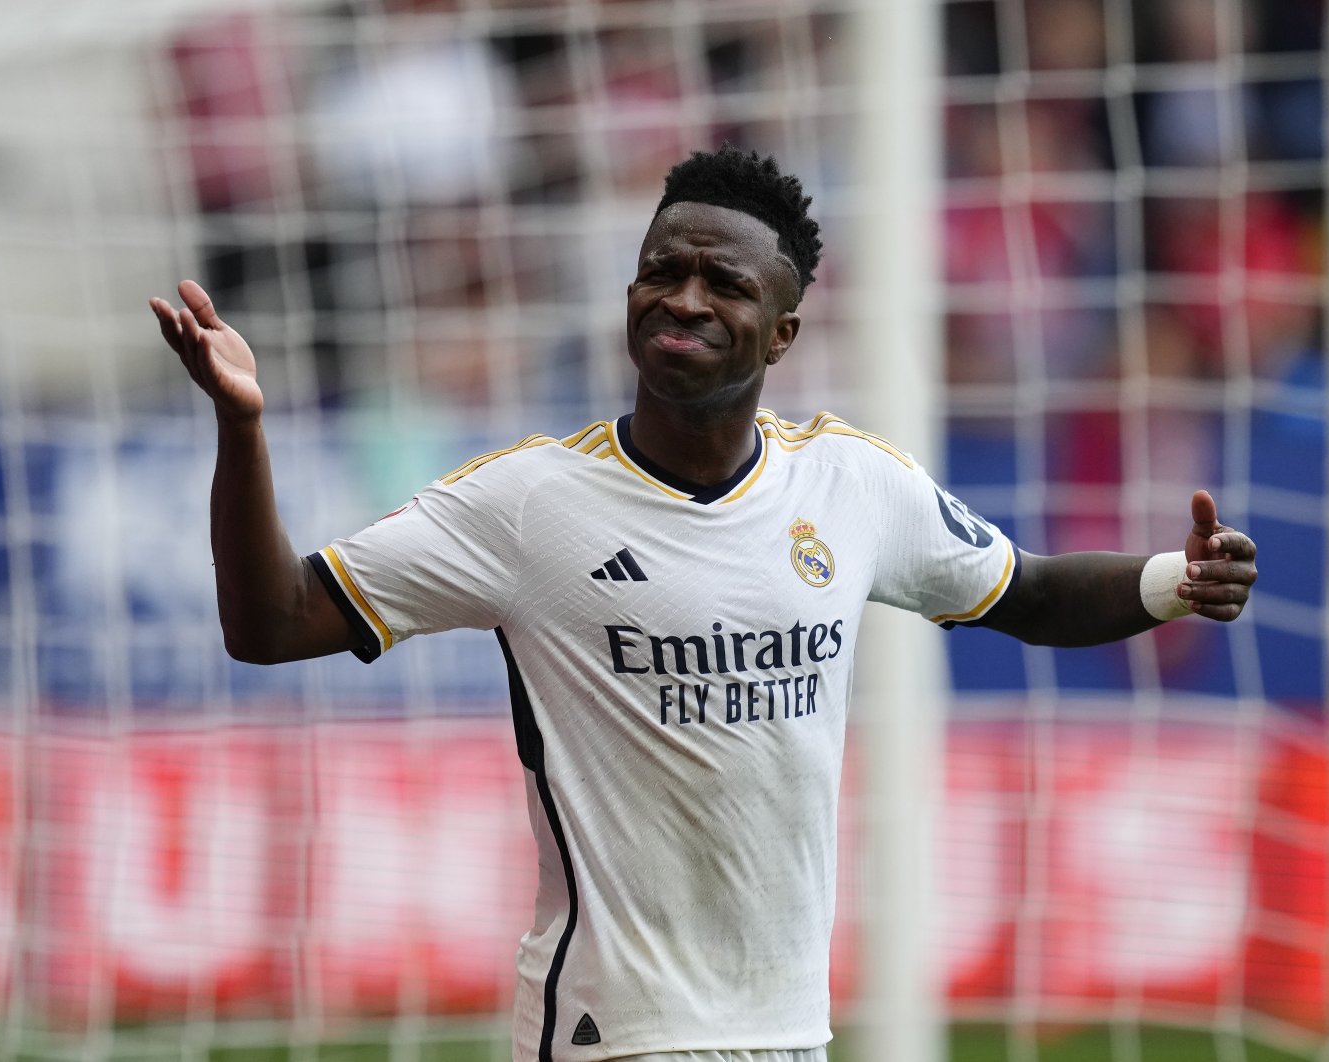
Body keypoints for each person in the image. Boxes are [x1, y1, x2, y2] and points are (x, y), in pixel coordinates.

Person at [149, 145, 1258, 1062]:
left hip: (788, 1033)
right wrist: (242, 430)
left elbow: (1026, 591)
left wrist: (1172, 582)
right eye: (661, 270)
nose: (685, 296)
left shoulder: (850, 486)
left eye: (724, 283)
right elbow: (272, 623)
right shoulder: (531, 504)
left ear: (780, 333)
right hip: (608, 1034)